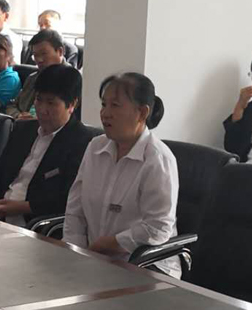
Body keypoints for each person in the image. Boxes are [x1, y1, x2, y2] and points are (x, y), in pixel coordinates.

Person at [62, 72, 180, 276]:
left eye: (115, 105)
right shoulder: (95, 147)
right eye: (104, 104)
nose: (105, 113)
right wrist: (75, 252)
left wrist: (111, 244)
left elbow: (158, 228)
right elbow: (75, 208)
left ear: (142, 112)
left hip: (145, 265)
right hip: (96, 260)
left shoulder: (157, 159)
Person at [0, 64, 89, 228]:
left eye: (51, 103)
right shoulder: (23, 130)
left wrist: (24, 207)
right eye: (38, 100)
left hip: (36, 225)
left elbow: (67, 198)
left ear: (72, 104)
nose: (42, 109)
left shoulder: (82, 141)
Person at [7, 29, 69, 119]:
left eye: (44, 54)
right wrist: (19, 115)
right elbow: (12, 105)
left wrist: (37, 120)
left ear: (60, 51)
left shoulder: (72, 80)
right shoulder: (32, 78)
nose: (39, 60)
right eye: (35, 55)